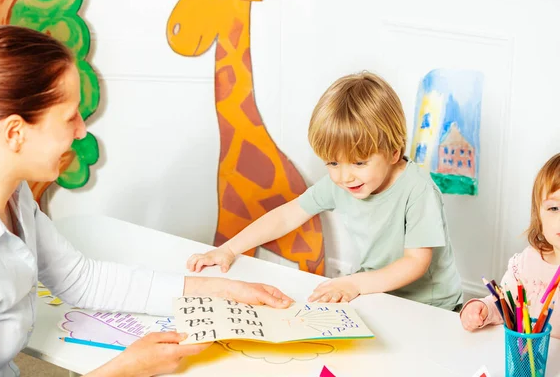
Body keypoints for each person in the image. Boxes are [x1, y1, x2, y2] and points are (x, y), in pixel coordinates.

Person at [0, 25, 292, 377]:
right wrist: (127, 369)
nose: (81, 131)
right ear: (15, 133)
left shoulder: (13, 193)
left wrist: (221, 290)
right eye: (70, 116)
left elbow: (80, 279)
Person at [187, 71, 463, 311]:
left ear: (393, 152)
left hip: (431, 306)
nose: (344, 176)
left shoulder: (418, 190)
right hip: (377, 293)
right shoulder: (342, 182)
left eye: (359, 162)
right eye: (332, 162)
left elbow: (415, 262)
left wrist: (353, 283)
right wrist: (229, 249)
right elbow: (287, 216)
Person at [460, 153, 560, 337]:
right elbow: (505, 305)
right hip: (528, 362)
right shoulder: (527, 263)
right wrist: (483, 309)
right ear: (539, 215)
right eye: (554, 208)